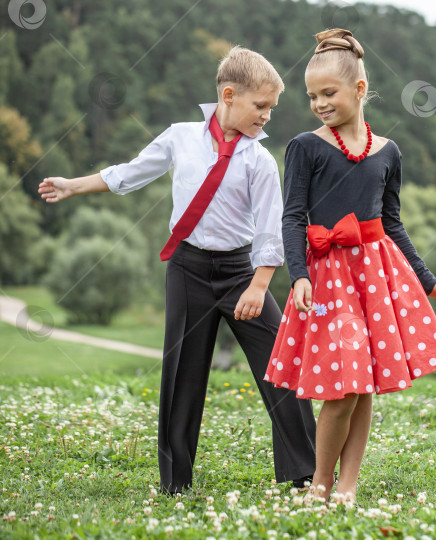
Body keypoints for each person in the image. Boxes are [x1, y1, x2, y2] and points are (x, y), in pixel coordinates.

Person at [38, 46, 317, 494]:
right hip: (187, 269)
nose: (267, 116)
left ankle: (307, 471)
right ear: (229, 95)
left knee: (281, 362)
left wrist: (259, 285)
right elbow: (130, 173)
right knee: (181, 376)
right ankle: (175, 482)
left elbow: (270, 228)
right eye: (261, 105)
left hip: (242, 273)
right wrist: (74, 185)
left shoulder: (260, 160)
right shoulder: (180, 138)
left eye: (271, 108)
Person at [264, 29, 436, 503]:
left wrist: (428, 280)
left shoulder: (389, 152)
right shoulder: (305, 147)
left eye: (328, 93)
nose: (319, 103)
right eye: (312, 96)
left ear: (359, 89)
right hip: (328, 279)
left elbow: (392, 223)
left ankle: (347, 487)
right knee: (341, 389)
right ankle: (320, 485)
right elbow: (292, 218)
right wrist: (298, 276)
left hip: (376, 276)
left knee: (362, 387)